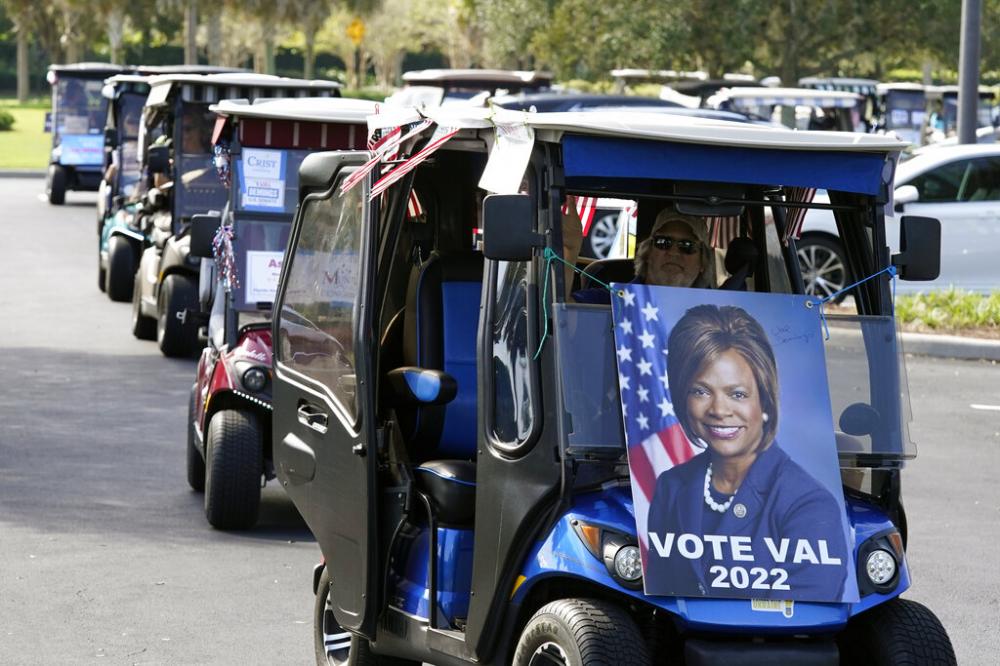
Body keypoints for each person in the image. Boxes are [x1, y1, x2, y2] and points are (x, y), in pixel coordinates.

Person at [644, 304, 848, 601]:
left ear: (764, 400)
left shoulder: (808, 505)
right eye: (700, 391)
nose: (718, 410)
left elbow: (806, 614)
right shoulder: (671, 486)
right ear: (681, 397)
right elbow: (658, 597)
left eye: (737, 394)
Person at [564, 204, 714, 304]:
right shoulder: (613, 300)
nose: (673, 252)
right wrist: (569, 251)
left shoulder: (716, 314)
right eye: (663, 242)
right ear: (648, 252)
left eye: (687, 246)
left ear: (703, 262)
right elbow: (564, 319)